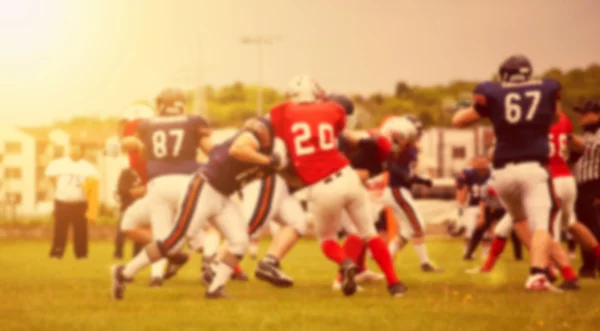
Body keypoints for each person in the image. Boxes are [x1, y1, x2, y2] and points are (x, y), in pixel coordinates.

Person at [111, 116, 287, 300]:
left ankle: (215, 288)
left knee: (240, 241)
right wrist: (269, 161)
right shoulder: (255, 138)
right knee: (173, 243)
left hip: (223, 195)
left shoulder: (275, 154)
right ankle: (123, 273)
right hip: (204, 187)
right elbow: (238, 149)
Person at [270, 75, 405, 297]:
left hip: (321, 186)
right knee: (369, 233)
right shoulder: (333, 109)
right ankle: (395, 283)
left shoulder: (281, 112)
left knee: (327, 240)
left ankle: (345, 264)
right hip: (347, 176)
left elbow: (280, 138)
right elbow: (341, 132)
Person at [452, 54, 562, 291]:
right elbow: (554, 117)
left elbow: (459, 121)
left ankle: (543, 265)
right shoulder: (547, 87)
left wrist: (486, 111)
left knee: (519, 219)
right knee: (541, 224)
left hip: (501, 173)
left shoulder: (492, 92)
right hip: (533, 167)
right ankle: (537, 272)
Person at [120, 88, 212, 286]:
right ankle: (213, 264)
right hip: (188, 183)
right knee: (198, 230)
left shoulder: (147, 124)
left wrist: (127, 144)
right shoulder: (193, 121)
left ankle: (157, 275)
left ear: (162, 105)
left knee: (161, 231)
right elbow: (211, 150)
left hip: (159, 184)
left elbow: (134, 145)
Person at [378, 115, 442, 272]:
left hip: (398, 190)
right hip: (397, 190)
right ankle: (425, 263)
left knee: (406, 232)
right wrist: (420, 179)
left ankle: (385, 260)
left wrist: (419, 179)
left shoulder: (409, 148)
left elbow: (405, 172)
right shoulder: (402, 149)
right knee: (418, 225)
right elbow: (396, 170)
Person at [46, 145, 99, 259]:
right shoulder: (59, 164)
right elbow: (50, 176)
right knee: (60, 230)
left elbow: (94, 183)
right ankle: (57, 253)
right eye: (73, 149)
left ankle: (81, 254)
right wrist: (59, 188)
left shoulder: (87, 167)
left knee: (81, 230)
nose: (75, 152)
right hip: (62, 202)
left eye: (77, 150)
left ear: (81, 152)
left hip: (80, 203)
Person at [568, 100, 600, 277]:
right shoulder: (585, 135)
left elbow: (593, 152)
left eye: (585, 113)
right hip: (580, 185)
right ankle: (588, 266)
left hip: (596, 184)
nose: (581, 117)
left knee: (596, 225)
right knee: (584, 227)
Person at [456, 155, 491, 259]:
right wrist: (461, 202)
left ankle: (485, 252)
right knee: (470, 230)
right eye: (479, 163)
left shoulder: (492, 173)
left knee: (486, 232)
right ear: (475, 164)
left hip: (488, 205)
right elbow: (462, 188)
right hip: (472, 205)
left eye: (483, 163)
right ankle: (468, 251)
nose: (481, 165)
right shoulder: (469, 174)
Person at [113, 166, 145, 259]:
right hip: (127, 207)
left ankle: (137, 254)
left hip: (140, 206)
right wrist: (137, 191)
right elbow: (122, 189)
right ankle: (118, 253)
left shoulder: (143, 172)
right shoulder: (126, 173)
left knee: (138, 231)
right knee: (122, 231)